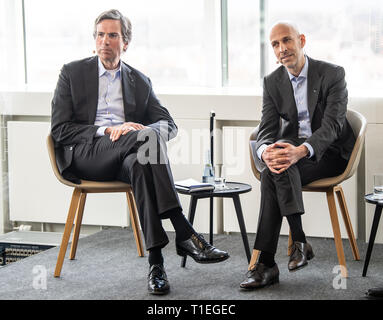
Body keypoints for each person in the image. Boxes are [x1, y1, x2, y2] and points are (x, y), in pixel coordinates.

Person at [51, 9, 229, 295]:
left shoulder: (140, 80)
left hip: (125, 157)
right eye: (100, 35)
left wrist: (142, 134)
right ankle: (183, 230)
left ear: (126, 42)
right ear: (94, 39)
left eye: (112, 35)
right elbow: (60, 129)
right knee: (144, 138)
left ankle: (156, 265)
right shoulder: (72, 73)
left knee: (141, 163)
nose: (104, 41)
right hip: (87, 155)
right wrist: (108, 131)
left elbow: (168, 124)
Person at [240, 22, 355, 290]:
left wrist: (301, 150)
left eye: (287, 41)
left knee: (279, 168)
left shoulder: (332, 74)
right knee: (276, 166)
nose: (282, 49)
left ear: (301, 40)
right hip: (293, 153)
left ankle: (267, 262)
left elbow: (333, 126)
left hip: (330, 152)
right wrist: (265, 150)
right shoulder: (272, 81)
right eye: (276, 45)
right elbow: (266, 129)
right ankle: (299, 243)